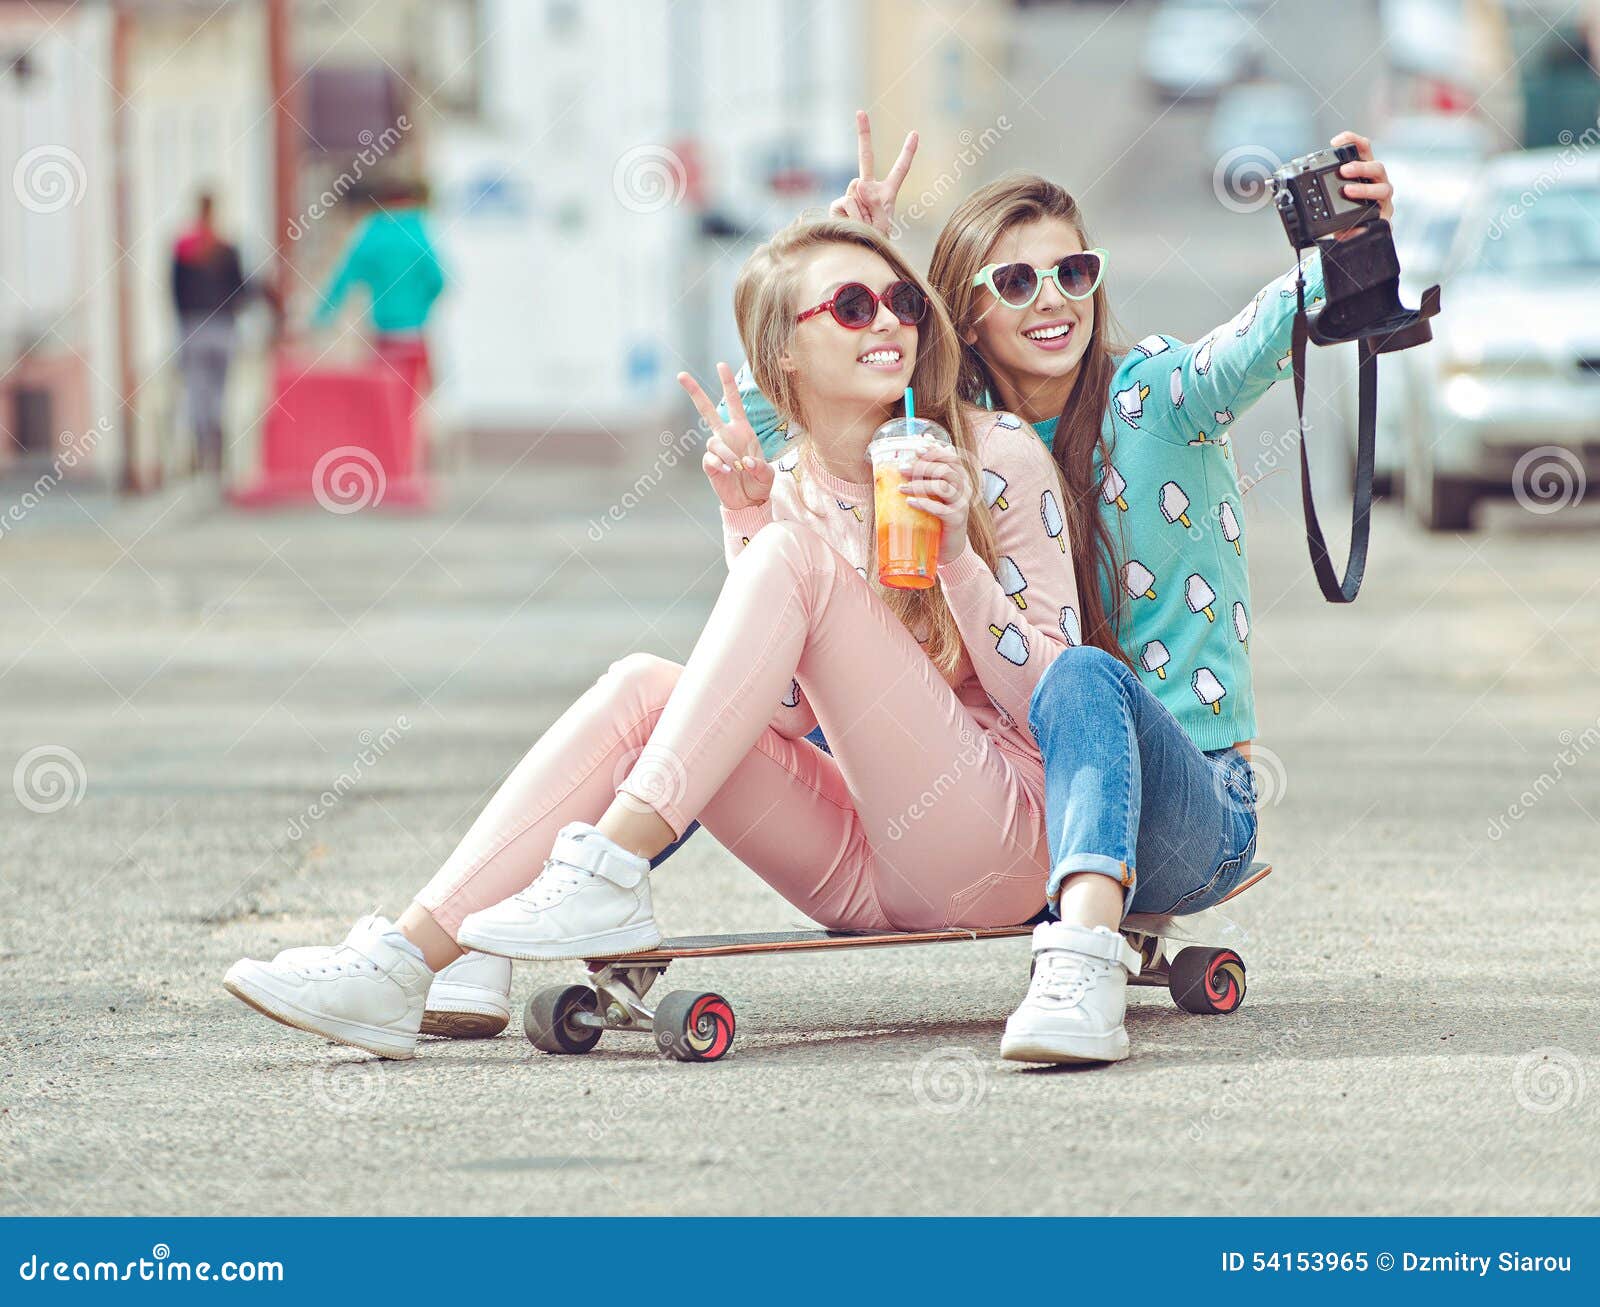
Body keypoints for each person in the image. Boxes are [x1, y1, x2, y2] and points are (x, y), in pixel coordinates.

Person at [222, 215, 1078, 1060]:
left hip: (999, 844)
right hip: (864, 870)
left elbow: (1060, 701)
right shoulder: (786, 485)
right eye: (853, 305)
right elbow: (776, 718)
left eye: (901, 300)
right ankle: (401, 965)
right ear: (784, 349)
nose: (889, 319)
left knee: (789, 558)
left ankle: (609, 867)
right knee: (642, 682)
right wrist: (746, 515)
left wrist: (960, 555)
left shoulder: (992, 453)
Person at [729, 114, 1396, 1064]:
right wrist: (861, 270)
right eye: (1016, 281)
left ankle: (1082, 965)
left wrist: (1353, 239)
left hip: (1190, 800)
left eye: (1074, 273)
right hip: (1018, 798)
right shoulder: (958, 435)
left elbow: (1264, 335)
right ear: (963, 314)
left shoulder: (1158, 397)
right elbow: (779, 403)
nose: (1055, 301)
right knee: (731, 684)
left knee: (1078, 675)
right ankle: (577, 889)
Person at [311, 179, 446, 402]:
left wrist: (321, 318)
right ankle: (411, 437)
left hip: (383, 334)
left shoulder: (373, 232)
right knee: (415, 403)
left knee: (384, 404)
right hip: (414, 334)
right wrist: (420, 309)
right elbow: (438, 281)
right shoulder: (418, 230)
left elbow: (343, 279)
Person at [170, 193, 257, 475]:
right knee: (219, 392)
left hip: (193, 328)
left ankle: (201, 446)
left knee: (197, 391)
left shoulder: (182, 249)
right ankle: (217, 452)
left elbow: (175, 294)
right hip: (223, 328)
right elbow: (241, 292)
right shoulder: (227, 248)